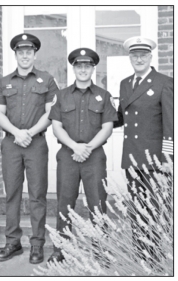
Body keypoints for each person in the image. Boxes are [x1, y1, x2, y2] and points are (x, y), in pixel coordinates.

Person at [0, 33, 59, 264]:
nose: (25, 55)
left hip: (36, 143)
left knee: (37, 195)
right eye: (21, 52)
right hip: (11, 144)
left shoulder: (47, 80)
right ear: (15, 54)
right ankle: (13, 242)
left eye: (28, 51)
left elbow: (52, 113)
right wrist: (17, 132)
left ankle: (37, 244)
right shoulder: (4, 81)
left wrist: (29, 133)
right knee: (11, 193)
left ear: (34, 54)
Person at [48, 48, 118, 263]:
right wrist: (74, 147)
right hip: (68, 155)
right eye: (79, 66)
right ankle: (62, 249)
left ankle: (100, 249)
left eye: (87, 66)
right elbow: (56, 126)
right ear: (74, 68)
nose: (83, 69)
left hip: (95, 156)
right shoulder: (61, 95)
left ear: (92, 68)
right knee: (64, 203)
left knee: (97, 203)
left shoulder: (103, 95)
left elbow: (107, 127)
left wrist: (87, 148)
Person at [114, 36, 173, 262]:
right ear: (129, 57)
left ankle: (155, 255)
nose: (138, 59)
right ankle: (140, 253)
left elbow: (171, 123)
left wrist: (168, 158)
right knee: (136, 207)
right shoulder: (125, 83)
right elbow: (121, 116)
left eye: (143, 55)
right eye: (134, 55)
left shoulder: (165, 82)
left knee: (155, 209)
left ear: (150, 56)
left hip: (155, 159)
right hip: (132, 155)